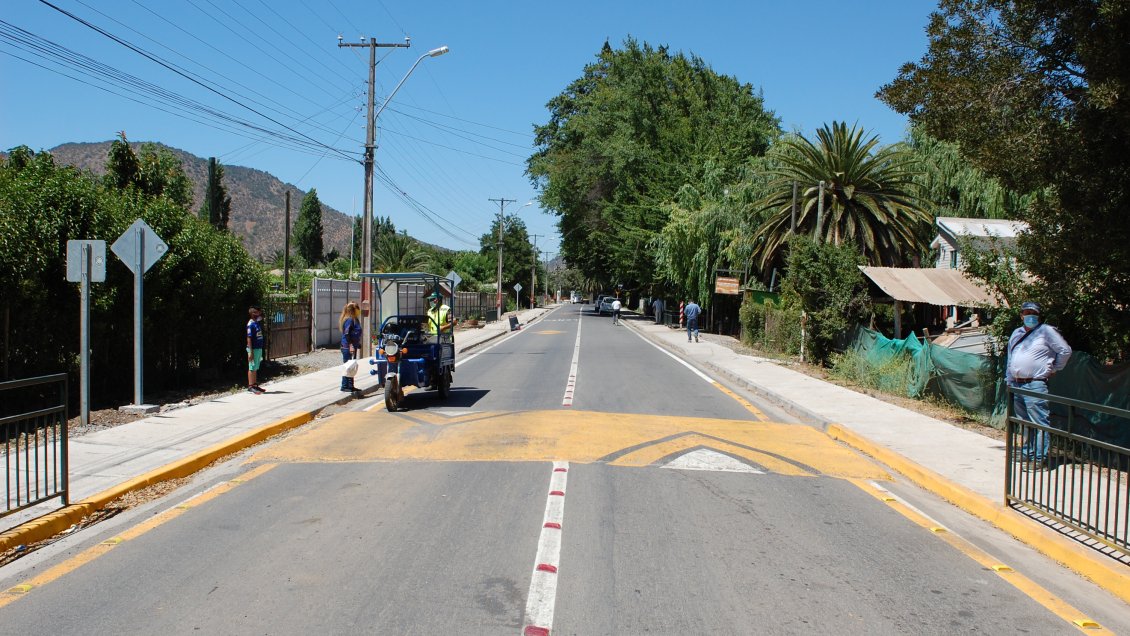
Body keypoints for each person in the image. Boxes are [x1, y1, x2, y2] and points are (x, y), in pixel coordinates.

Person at [1007, 301, 1072, 470]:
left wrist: (1054, 368)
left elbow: (1065, 351)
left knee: (1039, 422)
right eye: (1027, 313)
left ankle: (1039, 458)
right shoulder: (1017, 333)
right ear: (1021, 315)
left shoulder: (1046, 331)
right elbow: (1010, 358)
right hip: (1017, 383)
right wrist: (1009, 381)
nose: (1030, 316)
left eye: (1033, 313)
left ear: (1038, 316)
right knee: (1025, 422)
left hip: (1035, 384)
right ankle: (1027, 452)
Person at [339, 302, 362, 392]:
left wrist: (357, 343)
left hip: (352, 346)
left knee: (351, 366)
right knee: (347, 367)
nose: (359, 311)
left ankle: (351, 386)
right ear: (353, 310)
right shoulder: (349, 320)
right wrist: (351, 345)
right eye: (357, 309)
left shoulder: (354, 319)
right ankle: (344, 386)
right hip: (347, 347)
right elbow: (347, 334)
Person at [246, 306, 265, 394]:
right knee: (252, 367)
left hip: (258, 348)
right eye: (257, 313)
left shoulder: (256, 322)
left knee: (256, 367)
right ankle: (250, 386)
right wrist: (250, 352)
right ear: (253, 314)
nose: (259, 314)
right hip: (253, 349)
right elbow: (249, 338)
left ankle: (254, 385)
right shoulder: (251, 324)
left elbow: (262, 316)